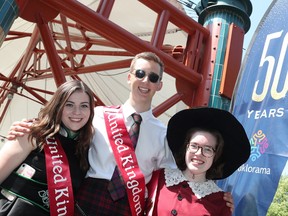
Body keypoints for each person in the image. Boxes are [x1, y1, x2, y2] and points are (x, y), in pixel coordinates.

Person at [6, 52, 234, 216]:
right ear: (130, 77)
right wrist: (28, 127)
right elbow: (61, 129)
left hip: (129, 204)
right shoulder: (95, 115)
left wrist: (213, 193)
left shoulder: (164, 134)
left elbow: (179, 174)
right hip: (85, 195)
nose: (146, 81)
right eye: (141, 73)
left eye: (153, 78)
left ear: (159, 86)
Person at [0, 80, 95, 215]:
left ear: (91, 111)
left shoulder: (86, 150)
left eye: (84, 106)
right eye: (69, 104)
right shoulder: (31, 132)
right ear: (58, 106)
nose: (77, 112)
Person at [145, 107, 251, 216]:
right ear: (186, 148)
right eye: (194, 146)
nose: (199, 153)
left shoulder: (221, 203)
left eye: (208, 149)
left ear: (216, 156)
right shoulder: (158, 178)